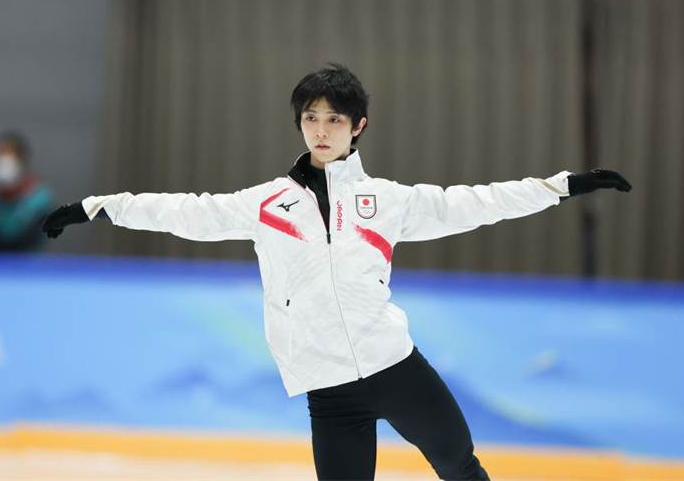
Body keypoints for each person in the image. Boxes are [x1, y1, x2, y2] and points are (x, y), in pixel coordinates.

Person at [41, 64, 632, 480]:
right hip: (328, 388)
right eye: (310, 117)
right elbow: (182, 211)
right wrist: (99, 205)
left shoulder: (387, 201)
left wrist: (561, 187)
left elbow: (475, 201)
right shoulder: (267, 204)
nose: (320, 129)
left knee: (460, 467)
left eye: (334, 119)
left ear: (358, 126)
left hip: (396, 368)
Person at [0, 132, 55, 251]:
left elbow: (30, 240)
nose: (3, 162)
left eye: (9, 154)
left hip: (28, 266)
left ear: (22, 161)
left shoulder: (40, 199)